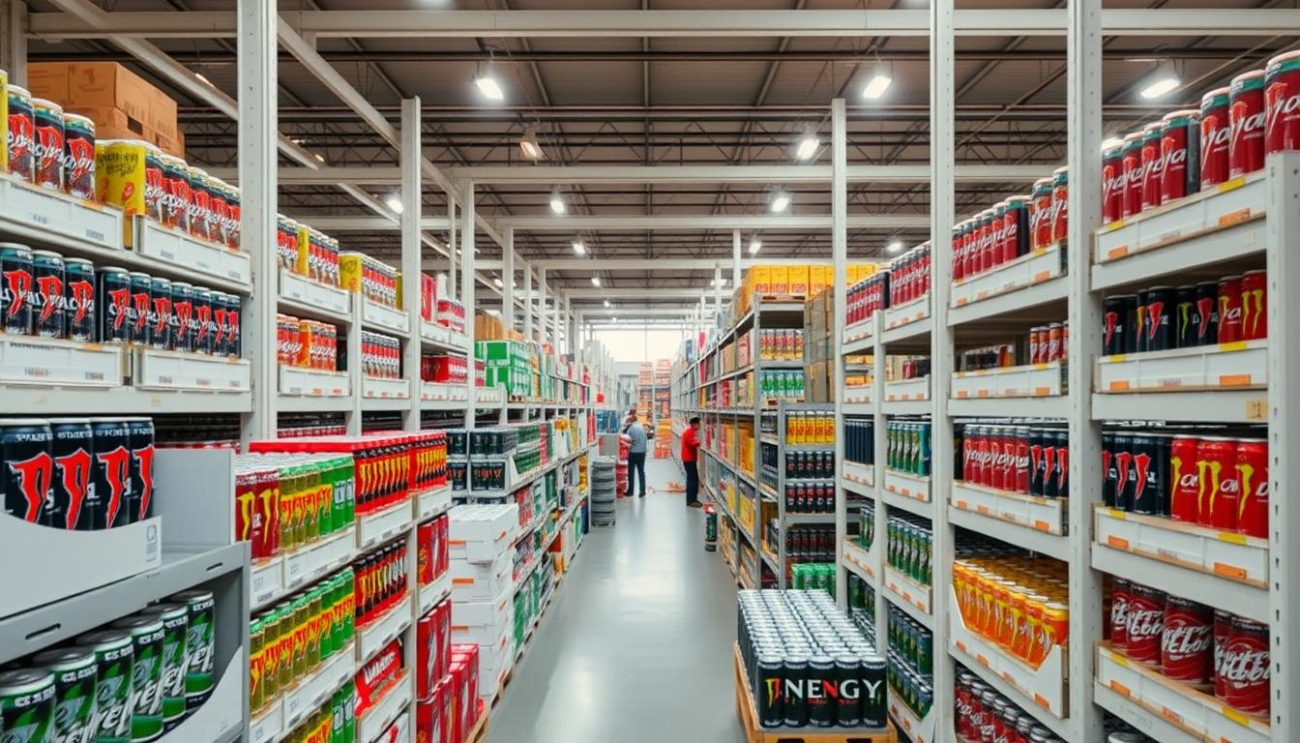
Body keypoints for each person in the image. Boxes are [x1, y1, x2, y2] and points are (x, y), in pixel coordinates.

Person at [623, 413, 648, 498]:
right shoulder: (642, 427)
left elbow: (628, 440)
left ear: (630, 421)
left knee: (631, 472)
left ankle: (630, 491)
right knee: (641, 472)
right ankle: (642, 491)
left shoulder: (631, 429)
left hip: (633, 453)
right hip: (642, 452)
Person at [682, 416, 702, 508]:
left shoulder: (691, 431)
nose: (700, 426)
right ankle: (690, 501)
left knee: (694, 479)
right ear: (694, 424)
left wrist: (697, 440)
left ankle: (693, 499)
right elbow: (692, 443)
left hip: (690, 458)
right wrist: (699, 442)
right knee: (692, 480)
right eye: (698, 424)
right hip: (689, 459)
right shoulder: (689, 431)